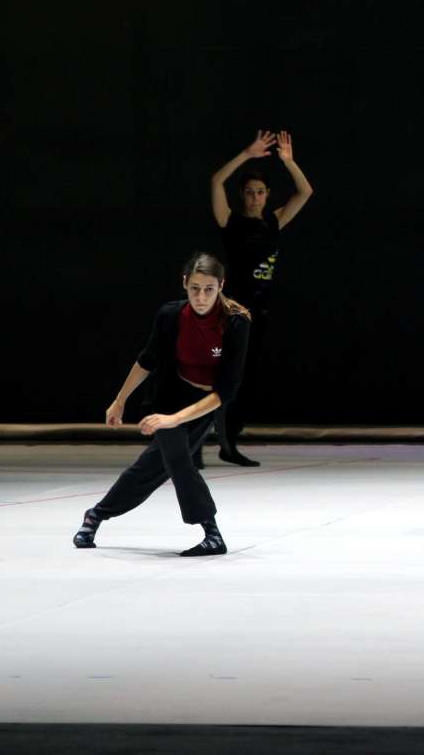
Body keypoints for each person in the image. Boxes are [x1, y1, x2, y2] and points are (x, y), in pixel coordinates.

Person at [73, 253, 251, 556]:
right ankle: (212, 533)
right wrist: (119, 401)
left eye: (209, 289)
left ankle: (96, 515)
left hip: (205, 404)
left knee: (152, 467)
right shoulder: (170, 315)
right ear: (185, 283)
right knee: (179, 460)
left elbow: (226, 391)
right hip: (169, 398)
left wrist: (177, 419)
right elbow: (147, 360)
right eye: (195, 288)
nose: (201, 297)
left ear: (221, 286)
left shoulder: (236, 322)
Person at [209, 130, 314, 467]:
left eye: (260, 192)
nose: (255, 197)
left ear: (267, 195)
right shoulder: (230, 221)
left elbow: (305, 192)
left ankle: (229, 440)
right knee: (221, 373)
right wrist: (246, 154)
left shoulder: (274, 221)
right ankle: (202, 440)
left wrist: (288, 162)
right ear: (242, 195)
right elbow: (216, 181)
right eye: (250, 192)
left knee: (244, 377)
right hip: (232, 308)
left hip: (259, 309)